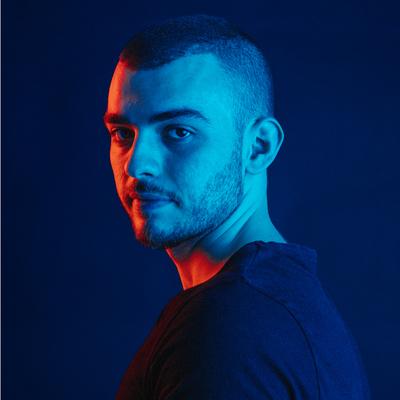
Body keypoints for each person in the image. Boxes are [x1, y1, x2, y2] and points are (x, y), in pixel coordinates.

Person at [103, 14, 370, 399]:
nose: (136, 163)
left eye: (178, 131)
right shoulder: (272, 306)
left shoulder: (228, 331)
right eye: (122, 134)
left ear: (258, 147)